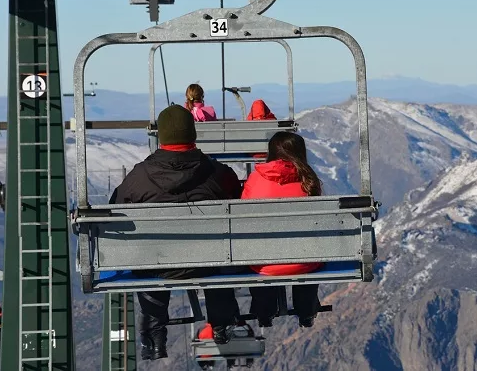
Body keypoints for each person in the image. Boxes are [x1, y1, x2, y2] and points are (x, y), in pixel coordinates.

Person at [110, 105, 241, 361]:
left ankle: (153, 341)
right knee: (220, 254)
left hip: (159, 264)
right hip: (209, 262)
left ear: (162, 137)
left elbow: (116, 206)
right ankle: (222, 325)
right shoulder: (218, 173)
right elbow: (238, 199)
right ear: (193, 134)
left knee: (151, 257)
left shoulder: (139, 177)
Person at [241, 132, 323, 328]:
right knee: (307, 254)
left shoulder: (255, 179)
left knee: (260, 251)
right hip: (303, 261)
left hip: (264, 263)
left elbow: (242, 217)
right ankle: (306, 310)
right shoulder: (309, 181)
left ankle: (264, 310)